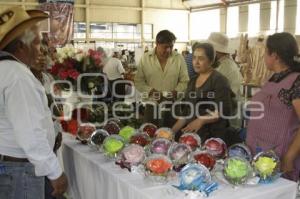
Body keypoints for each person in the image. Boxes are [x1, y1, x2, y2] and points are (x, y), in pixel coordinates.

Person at [0, 6, 68, 199]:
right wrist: (55, 172)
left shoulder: (5, 70)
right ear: (23, 45)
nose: (40, 50)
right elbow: (29, 131)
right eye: (37, 43)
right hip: (19, 170)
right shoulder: (18, 76)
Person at [246, 32, 300, 182]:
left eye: (265, 52)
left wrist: (289, 157)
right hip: (258, 150)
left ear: (274, 56)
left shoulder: (296, 82)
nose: (263, 57)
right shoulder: (272, 78)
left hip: (279, 157)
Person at [171, 43, 238, 145]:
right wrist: (171, 132)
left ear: (211, 61)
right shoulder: (192, 81)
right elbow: (187, 113)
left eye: (201, 58)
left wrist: (201, 120)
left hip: (213, 137)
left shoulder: (219, 80)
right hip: (194, 138)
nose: (196, 62)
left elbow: (224, 110)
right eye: (194, 58)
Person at [134, 30, 189, 127]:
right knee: (149, 134)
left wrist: (175, 92)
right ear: (157, 44)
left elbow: (185, 81)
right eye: (165, 47)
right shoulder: (146, 58)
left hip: (173, 106)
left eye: (171, 47)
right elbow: (139, 81)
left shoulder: (179, 58)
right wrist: (151, 91)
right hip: (152, 106)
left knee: (173, 135)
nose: (168, 50)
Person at [207, 32, 243, 129]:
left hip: (227, 119)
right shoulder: (220, 64)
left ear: (215, 50)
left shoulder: (227, 67)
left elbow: (228, 97)